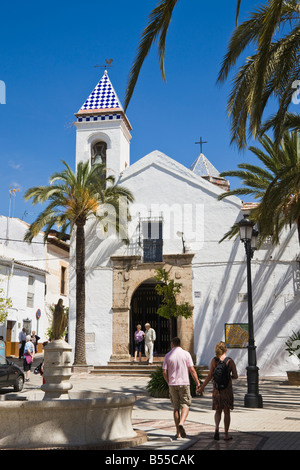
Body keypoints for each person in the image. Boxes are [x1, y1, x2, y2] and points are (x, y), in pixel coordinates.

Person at [198, 341, 238, 441]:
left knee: (218, 411)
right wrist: (229, 376)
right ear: (226, 350)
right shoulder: (230, 361)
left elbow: (209, 375)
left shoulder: (214, 361)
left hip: (217, 390)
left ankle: (216, 429)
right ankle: (226, 434)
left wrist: (202, 387)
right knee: (227, 411)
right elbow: (236, 376)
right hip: (227, 390)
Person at [163, 337, 201, 439]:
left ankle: (178, 433)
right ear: (180, 344)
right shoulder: (186, 354)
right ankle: (182, 423)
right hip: (184, 383)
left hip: (172, 384)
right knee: (185, 405)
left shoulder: (168, 355)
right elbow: (192, 370)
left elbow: (164, 372)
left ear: (172, 344)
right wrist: (197, 382)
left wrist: (169, 382)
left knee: (176, 408)